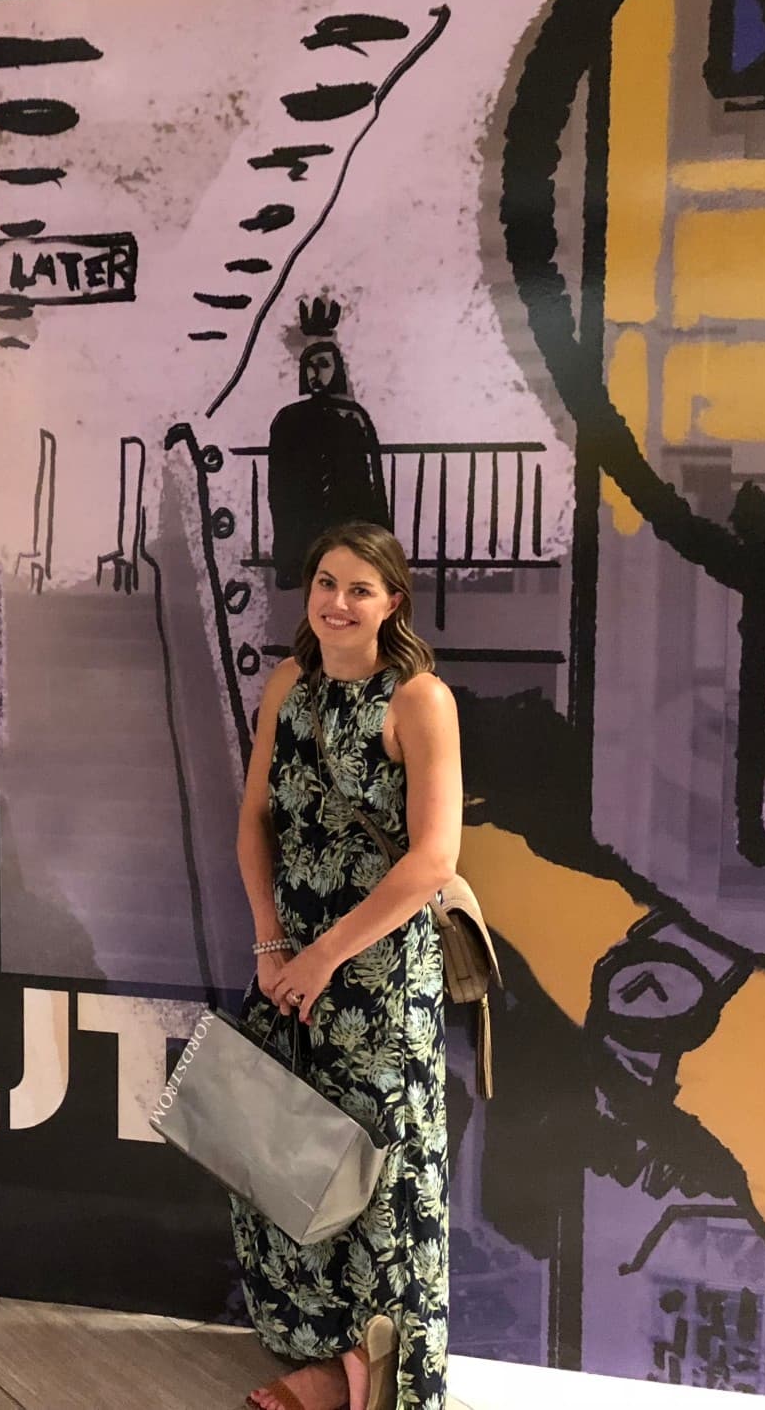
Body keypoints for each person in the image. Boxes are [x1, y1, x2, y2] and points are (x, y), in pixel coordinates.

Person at [234, 522, 461, 1410]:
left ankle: (386, 1380)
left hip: (378, 976)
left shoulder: (419, 701)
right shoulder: (289, 686)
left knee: (383, 1178)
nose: (337, 602)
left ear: (392, 603)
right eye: (326, 582)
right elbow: (256, 818)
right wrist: (270, 943)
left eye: (360, 589)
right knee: (293, 1161)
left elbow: (433, 860)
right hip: (288, 969)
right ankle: (329, 1365)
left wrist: (325, 954)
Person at [266, 299, 392, 590]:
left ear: (336, 368)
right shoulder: (288, 419)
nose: (315, 373)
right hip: (305, 527)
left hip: (347, 522)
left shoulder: (353, 416)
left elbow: (374, 483)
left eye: (323, 364)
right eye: (309, 365)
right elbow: (279, 489)